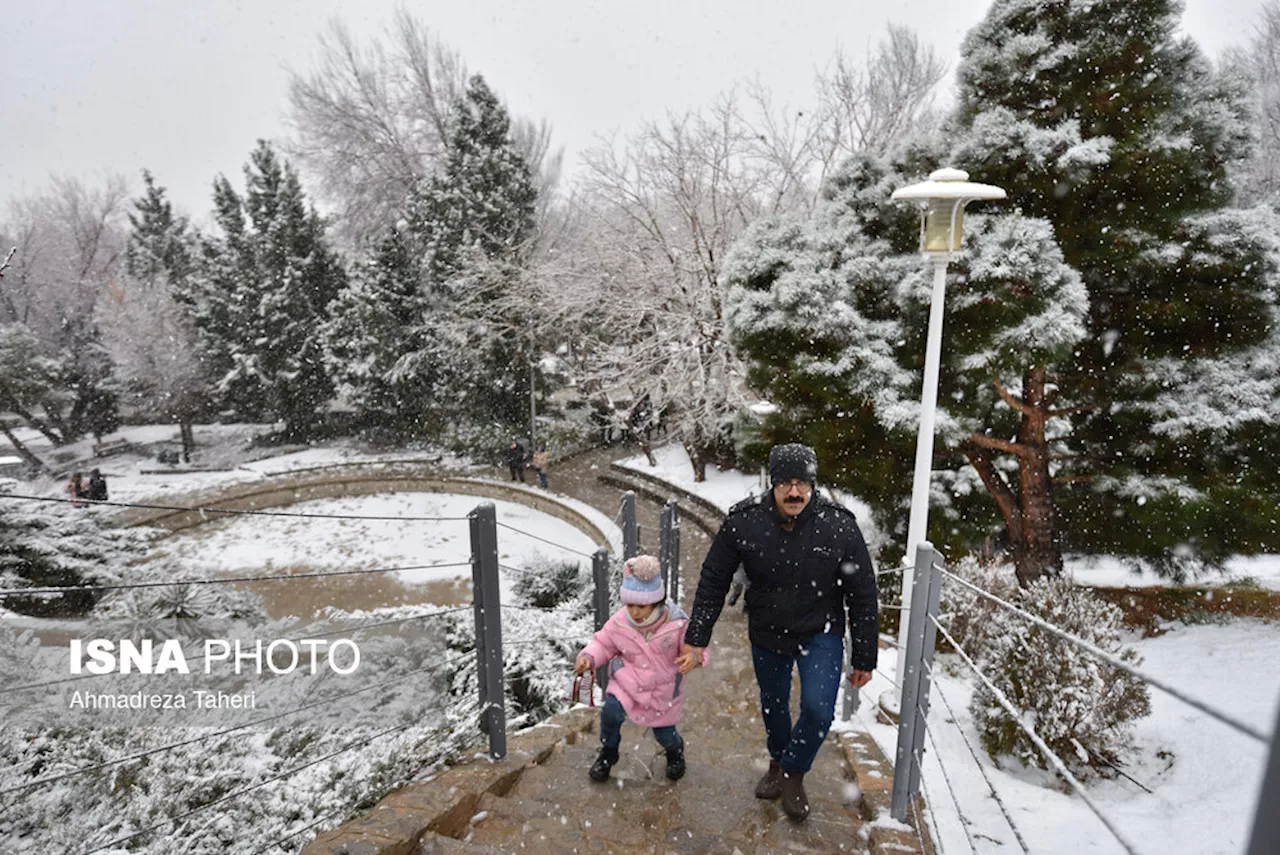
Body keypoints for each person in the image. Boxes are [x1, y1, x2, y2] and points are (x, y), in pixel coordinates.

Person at [677, 443, 878, 822]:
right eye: (785, 482)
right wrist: (697, 635)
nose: (794, 492)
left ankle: (793, 771)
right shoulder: (745, 522)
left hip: (822, 631)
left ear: (813, 485)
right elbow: (713, 579)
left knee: (819, 710)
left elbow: (863, 592)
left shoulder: (839, 526)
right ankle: (778, 761)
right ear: (772, 484)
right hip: (768, 630)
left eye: (802, 483)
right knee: (774, 705)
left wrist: (865, 655)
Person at [575, 554, 706, 783]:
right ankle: (608, 753)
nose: (635, 612)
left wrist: (694, 657)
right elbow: (603, 643)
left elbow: (695, 646)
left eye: (642, 606)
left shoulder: (676, 624)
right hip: (627, 682)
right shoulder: (619, 622)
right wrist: (589, 656)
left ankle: (675, 750)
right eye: (630, 605)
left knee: (664, 733)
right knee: (610, 713)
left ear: (656, 602)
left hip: (662, 691)